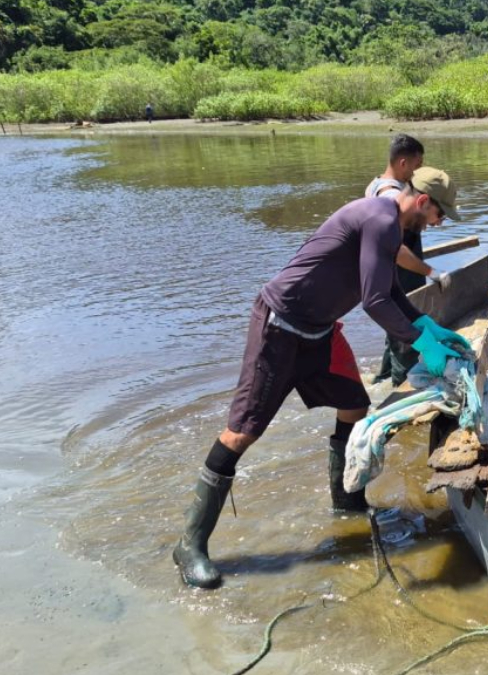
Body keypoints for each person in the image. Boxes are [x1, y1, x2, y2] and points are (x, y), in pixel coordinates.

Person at [172, 169, 468, 590]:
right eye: (440, 214)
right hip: (281, 326)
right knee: (241, 433)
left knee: (354, 403)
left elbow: (390, 291)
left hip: (318, 330)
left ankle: (346, 504)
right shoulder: (380, 219)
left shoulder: (388, 224)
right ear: (422, 201)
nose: (439, 223)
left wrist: (427, 325)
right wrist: (423, 345)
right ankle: (191, 544)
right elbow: (375, 300)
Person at [367, 136, 458, 386]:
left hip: (393, 283)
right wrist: (432, 271)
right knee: (404, 340)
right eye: (438, 215)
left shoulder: (381, 188)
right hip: (398, 277)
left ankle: (382, 381)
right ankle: (400, 385)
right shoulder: (390, 203)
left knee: (397, 330)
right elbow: (395, 253)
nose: (438, 222)